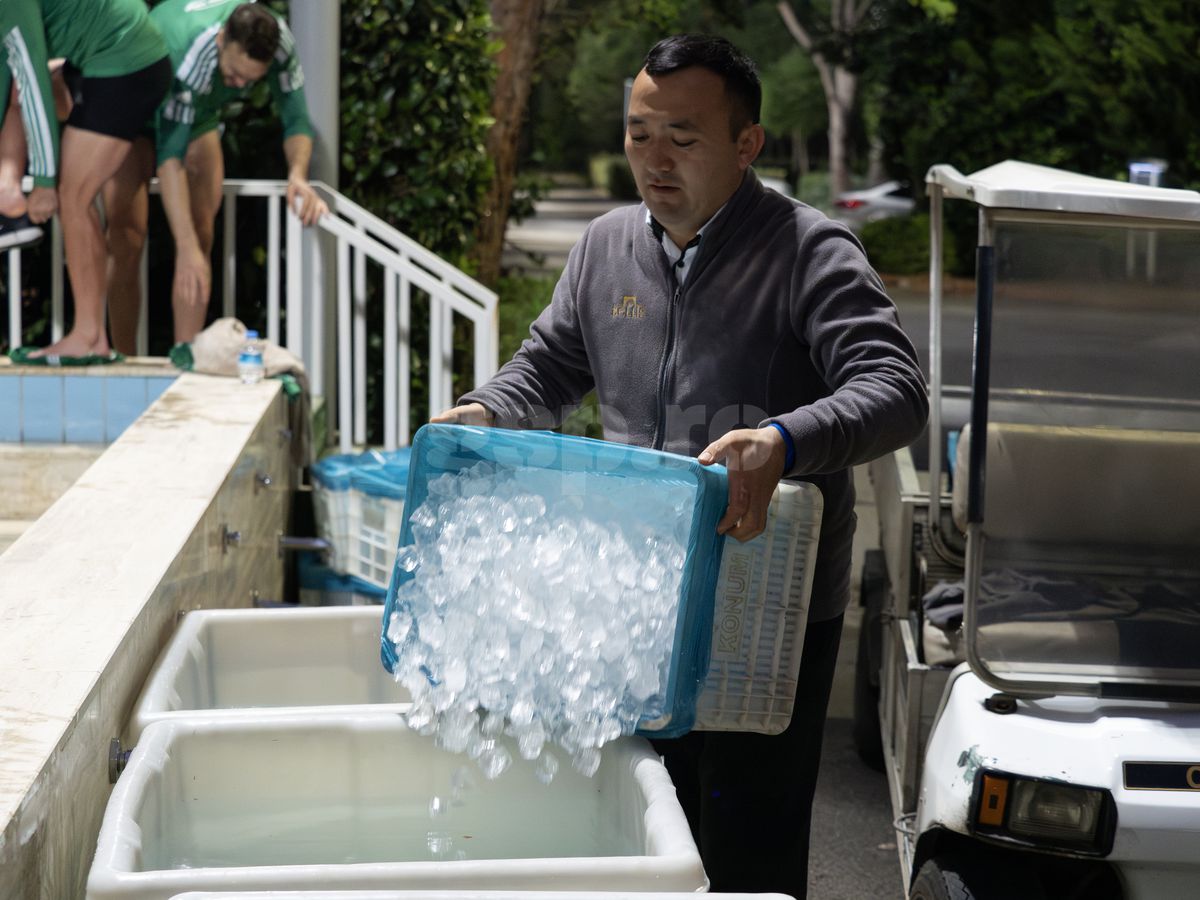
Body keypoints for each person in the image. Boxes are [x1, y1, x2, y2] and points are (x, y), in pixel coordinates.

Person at [433, 33, 928, 898]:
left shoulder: (810, 252)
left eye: (683, 138)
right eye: (638, 134)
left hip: (764, 610)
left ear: (747, 143)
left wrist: (784, 440)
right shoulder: (606, 248)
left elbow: (896, 388)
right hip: (632, 601)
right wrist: (484, 409)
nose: (653, 160)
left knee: (745, 853)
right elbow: (549, 366)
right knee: (635, 836)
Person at [104, 0, 328, 356]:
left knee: (202, 233)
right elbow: (170, 158)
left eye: (249, 81)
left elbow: (297, 120)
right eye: (234, 74)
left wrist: (297, 175)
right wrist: (184, 246)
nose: (238, 85)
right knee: (126, 234)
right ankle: (124, 359)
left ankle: (185, 357)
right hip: (135, 107)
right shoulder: (195, 56)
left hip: (197, 115)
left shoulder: (280, 41)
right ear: (223, 39)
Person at [0, 0, 171, 360]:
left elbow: (33, 77)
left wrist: (45, 180)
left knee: (72, 197)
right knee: (16, 96)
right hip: (96, 57)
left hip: (125, 59)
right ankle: (10, 196)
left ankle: (88, 335)